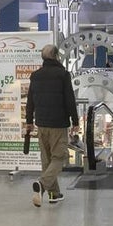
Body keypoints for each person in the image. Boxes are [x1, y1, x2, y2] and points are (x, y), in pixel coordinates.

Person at [24, 44, 78, 207]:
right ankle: (42, 184)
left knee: (47, 159)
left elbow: (30, 101)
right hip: (58, 123)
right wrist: (75, 121)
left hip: (41, 124)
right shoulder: (62, 74)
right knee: (59, 158)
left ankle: (54, 194)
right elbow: (69, 99)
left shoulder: (36, 76)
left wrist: (29, 121)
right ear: (56, 56)